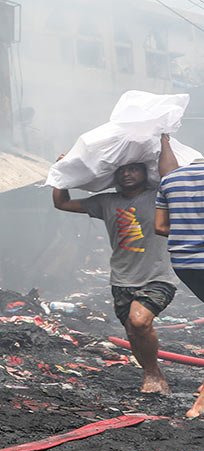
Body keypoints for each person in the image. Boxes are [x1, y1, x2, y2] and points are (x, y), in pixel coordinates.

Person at [53, 160, 174, 396]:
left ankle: (151, 373)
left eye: (133, 169)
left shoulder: (157, 197)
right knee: (132, 331)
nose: (127, 174)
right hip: (121, 278)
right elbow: (62, 203)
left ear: (145, 172)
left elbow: (171, 176)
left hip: (157, 276)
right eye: (122, 170)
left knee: (140, 321)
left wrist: (164, 139)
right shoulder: (106, 202)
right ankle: (153, 372)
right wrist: (62, 171)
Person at [153, 134, 204, 417]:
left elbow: (160, 227)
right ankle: (201, 404)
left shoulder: (171, 180)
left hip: (184, 264)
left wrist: (190, 231)